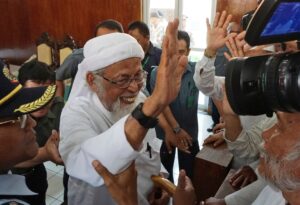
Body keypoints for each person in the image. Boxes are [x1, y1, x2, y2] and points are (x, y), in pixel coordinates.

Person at [59, 19, 188, 205]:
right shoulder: (76, 113)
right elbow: (89, 165)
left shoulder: (139, 100)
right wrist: (153, 106)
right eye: (123, 79)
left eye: (138, 75)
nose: (134, 88)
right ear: (91, 80)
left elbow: (149, 148)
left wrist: (158, 178)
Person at [3, 60, 64, 205]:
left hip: (36, 173)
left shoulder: (58, 106)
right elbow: (13, 160)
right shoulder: (11, 115)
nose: (41, 103)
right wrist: (47, 153)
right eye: (33, 95)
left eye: (44, 95)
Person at [150, 30, 199, 182]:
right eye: (172, 52)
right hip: (164, 134)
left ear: (189, 51)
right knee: (165, 177)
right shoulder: (157, 73)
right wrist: (176, 129)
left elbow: (212, 86)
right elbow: (161, 105)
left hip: (189, 134)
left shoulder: (197, 71)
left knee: (189, 177)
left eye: (181, 52)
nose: (176, 57)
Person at [55, 19, 124, 98]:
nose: (106, 45)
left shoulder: (126, 59)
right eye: (101, 40)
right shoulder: (79, 57)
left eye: (111, 41)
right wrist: (59, 105)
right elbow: (58, 78)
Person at [128, 20, 162, 93]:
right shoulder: (128, 56)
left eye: (136, 40)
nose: (133, 44)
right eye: (130, 41)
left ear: (147, 38)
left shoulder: (160, 55)